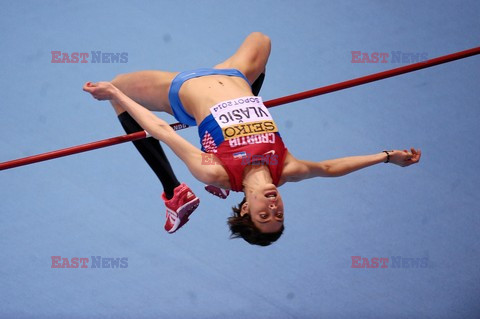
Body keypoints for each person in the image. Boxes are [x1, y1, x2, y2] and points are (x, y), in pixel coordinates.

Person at [83, 32, 421, 246]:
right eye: (279, 215)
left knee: (118, 89)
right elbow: (331, 168)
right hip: (232, 75)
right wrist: (387, 156)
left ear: (246, 208)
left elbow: (158, 129)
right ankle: (218, 124)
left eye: (264, 215)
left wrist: (114, 92)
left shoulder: (216, 173)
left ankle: (173, 192)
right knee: (262, 39)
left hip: (182, 90)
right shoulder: (286, 169)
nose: (273, 208)